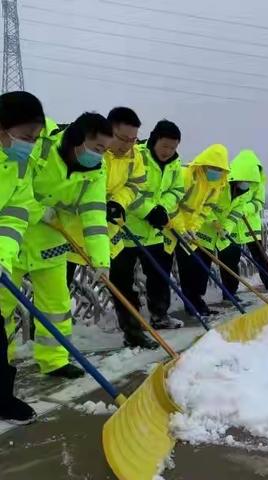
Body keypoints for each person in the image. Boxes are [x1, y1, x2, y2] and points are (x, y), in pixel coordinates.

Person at [0, 112, 113, 379]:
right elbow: (18, 186)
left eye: (105, 150)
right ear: (78, 139)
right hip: (13, 238)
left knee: (56, 307)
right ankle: (2, 361)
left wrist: (101, 260)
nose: (100, 156)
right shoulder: (40, 147)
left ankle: (55, 360)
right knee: (1, 305)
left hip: (51, 243)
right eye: (97, 148)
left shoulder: (96, 171)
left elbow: (95, 216)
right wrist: (40, 211)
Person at [64, 107, 153, 348]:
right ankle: (47, 345)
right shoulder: (92, 152)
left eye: (133, 139)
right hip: (71, 233)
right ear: (108, 130)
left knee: (123, 284)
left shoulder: (135, 157)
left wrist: (117, 202)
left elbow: (136, 186)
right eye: (123, 138)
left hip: (109, 233)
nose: (128, 145)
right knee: (59, 290)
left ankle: (134, 333)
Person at [109, 119, 184, 330]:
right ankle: (131, 323)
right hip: (126, 230)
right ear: (154, 140)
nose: (168, 151)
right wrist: (149, 210)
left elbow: (177, 191)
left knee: (160, 277)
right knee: (122, 279)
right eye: (165, 146)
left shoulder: (175, 165)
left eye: (173, 147)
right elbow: (127, 188)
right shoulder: (137, 155)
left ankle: (160, 316)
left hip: (154, 232)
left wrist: (161, 209)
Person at [0, 91, 45, 424]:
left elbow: (14, 216)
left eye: (35, 138)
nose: (30, 144)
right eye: (26, 137)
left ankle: (2, 399)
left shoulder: (18, 166)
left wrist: (2, 257)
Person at [169, 144, 229, 317]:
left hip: (189, 230)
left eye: (219, 169)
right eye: (213, 167)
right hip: (170, 224)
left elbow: (205, 210)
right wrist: (181, 227)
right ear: (204, 164)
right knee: (171, 267)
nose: (216, 172)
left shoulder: (216, 185)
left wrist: (193, 228)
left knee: (193, 266)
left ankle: (195, 303)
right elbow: (172, 203)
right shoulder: (187, 175)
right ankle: (170, 310)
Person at [216, 151, 261, 300]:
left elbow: (238, 211)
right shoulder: (222, 186)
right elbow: (210, 207)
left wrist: (226, 227)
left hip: (229, 229)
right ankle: (228, 293)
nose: (247, 184)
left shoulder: (245, 190)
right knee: (228, 261)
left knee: (234, 261)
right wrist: (215, 223)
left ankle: (231, 293)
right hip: (214, 228)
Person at [234, 150, 268, 295]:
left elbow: (259, 202)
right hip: (233, 226)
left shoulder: (258, 184)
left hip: (251, 225)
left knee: (260, 258)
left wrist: (245, 209)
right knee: (231, 259)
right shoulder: (233, 181)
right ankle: (229, 292)